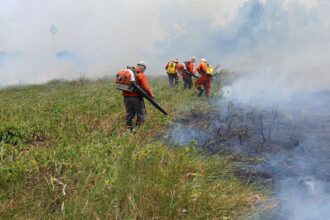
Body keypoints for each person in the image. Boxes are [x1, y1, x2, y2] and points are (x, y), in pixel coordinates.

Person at [122, 61, 154, 130]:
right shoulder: (140, 75)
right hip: (136, 98)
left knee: (129, 112)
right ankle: (138, 129)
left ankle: (128, 129)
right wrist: (151, 95)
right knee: (140, 113)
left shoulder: (128, 72)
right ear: (143, 68)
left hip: (126, 97)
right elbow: (145, 87)